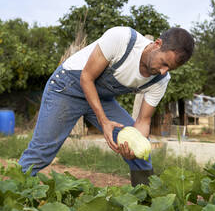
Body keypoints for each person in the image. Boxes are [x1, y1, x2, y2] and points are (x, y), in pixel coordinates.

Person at [19, 26, 194, 186]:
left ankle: (143, 210)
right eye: (164, 63)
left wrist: (133, 149)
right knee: (41, 153)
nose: (164, 71)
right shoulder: (123, 39)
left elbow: (143, 121)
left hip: (102, 98)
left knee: (142, 153)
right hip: (68, 88)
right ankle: (12, 195)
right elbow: (86, 77)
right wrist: (104, 121)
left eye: (169, 69)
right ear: (157, 44)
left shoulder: (160, 80)